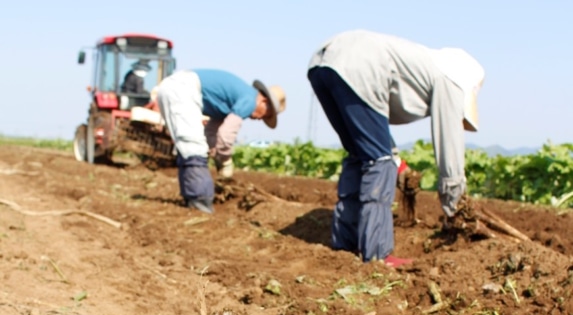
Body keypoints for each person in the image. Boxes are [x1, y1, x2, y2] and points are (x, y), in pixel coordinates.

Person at [307, 30, 485, 266]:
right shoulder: (452, 80)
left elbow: (372, 124)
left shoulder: (424, 64)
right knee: (380, 162)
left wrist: (400, 167)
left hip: (322, 64)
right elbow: (449, 146)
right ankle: (378, 255)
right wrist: (457, 208)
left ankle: (344, 243)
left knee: (359, 154)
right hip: (359, 65)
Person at [155, 69, 286, 213]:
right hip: (182, 90)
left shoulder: (231, 101)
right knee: (193, 147)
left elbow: (212, 134)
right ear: (264, 101)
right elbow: (225, 136)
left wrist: (214, 153)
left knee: (188, 148)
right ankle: (200, 202)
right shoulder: (250, 100)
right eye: (268, 114)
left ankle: (192, 200)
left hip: (173, 88)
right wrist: (225, 161)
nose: (262, 119)